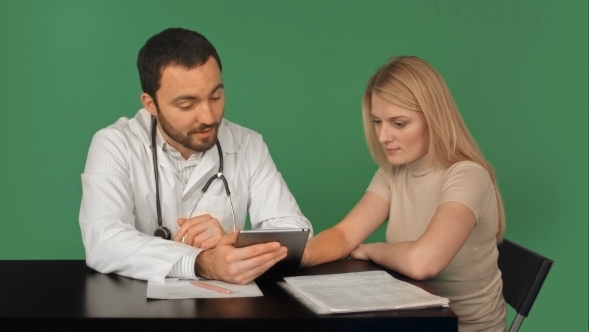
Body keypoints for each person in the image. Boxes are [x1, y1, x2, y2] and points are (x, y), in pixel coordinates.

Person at [79, 28, 312, 285]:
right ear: (150, 104)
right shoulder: (114, 144)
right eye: (187, 105)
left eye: (216, 96)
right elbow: (103, 239)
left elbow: (297, 233)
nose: (209, 117)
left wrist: (231, 241)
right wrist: (202, 262)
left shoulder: (248, 144)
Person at [301, 56, 506, 331]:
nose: (384, 136)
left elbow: (424, 262)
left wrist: (372, 250)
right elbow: (345, 235)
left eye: (399, 123)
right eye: (377, 122)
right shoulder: (393, 173)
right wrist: (290, 257)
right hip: (411, 318)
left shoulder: (468, 176)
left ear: (433, 119)